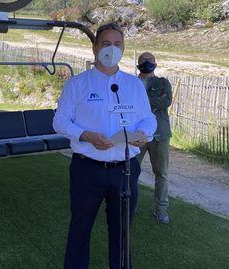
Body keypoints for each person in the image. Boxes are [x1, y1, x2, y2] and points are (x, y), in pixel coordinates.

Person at [53, 23, 157, 269]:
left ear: (124, 48)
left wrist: (145, 133)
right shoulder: (77, 84)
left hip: (125, 169)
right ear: (95, 48)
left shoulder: (134, 85)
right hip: (87, 169)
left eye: (117, 44)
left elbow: (148, 117)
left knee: (122, 233)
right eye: (106, 44)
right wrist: (86, 135)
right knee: (80, 229)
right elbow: (59, 120)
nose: (112, 49)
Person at [136, 52, 173, 224]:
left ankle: (161, 210)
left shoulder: (163, 83)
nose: (147, 63)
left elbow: (166, 102)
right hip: (137, 134)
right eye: (143, 61)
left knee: (161, 174)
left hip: (160, 135)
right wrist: (154, 100)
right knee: (130, 171)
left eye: (150, 61)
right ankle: (130, 204)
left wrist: (142, 101)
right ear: (138, 65)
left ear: (155, 64)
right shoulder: (132, 84)